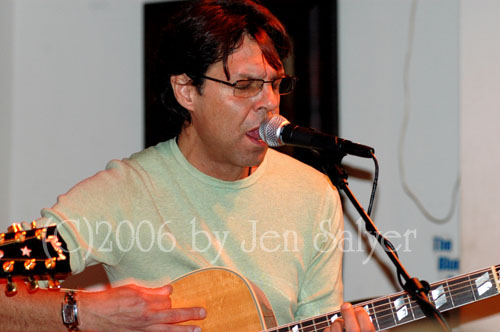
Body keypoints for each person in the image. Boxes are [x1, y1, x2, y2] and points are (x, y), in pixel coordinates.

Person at [0, 1, 375, 331]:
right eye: (245, 85)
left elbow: (318, 319)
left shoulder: (313, 194)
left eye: (274, 84)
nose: (267, 102)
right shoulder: (125, 192)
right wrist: (87, 313)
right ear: (186, 90)